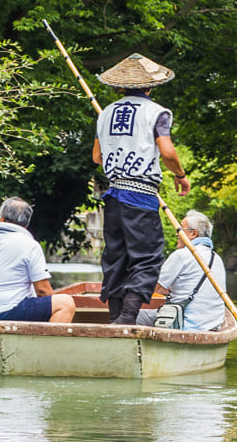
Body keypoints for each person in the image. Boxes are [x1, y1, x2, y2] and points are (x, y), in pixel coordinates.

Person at [92, 53, 191, 324]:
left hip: (112, 195)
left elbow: (97, 158)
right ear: (150, 86)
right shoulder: (156, 112)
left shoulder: (106, 114)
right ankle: (127, 318)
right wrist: (180, 175)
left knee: (116, 257)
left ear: (121, 87)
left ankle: (116, 317)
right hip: (140, 194)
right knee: (147, 258)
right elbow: (168, 152)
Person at [0, 197, 76, 323]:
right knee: (65, 303)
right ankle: (48, 343)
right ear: (27, 224)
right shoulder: (29, 244)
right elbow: (43, 290)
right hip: (6, 311)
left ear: (2, 218)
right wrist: (51, 308)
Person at [137, 210, 226, 331]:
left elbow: (153, 287)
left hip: (186, 323)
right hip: (213, 324)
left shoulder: (182, 255)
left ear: (193, 234)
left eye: (180, 229)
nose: (177, 234)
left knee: (132, 315)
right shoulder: (216, 258)